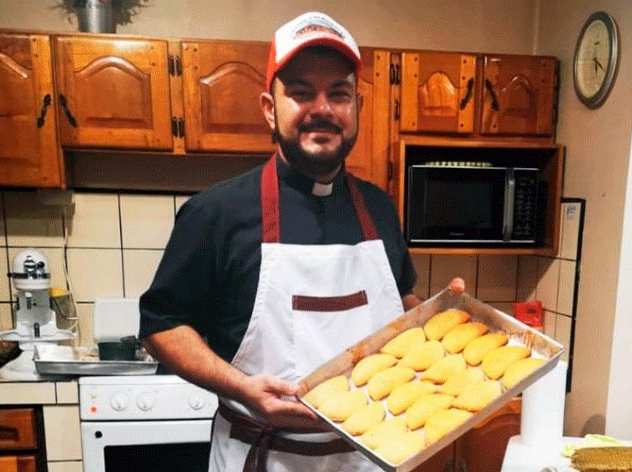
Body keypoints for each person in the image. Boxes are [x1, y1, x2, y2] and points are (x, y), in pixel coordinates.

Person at [139, 11, 464, 472]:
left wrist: (442, 322)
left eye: (339, 93)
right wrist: (238, 386)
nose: (322, 108)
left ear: (356, 108)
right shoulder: (215, 214)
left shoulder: (379, 209)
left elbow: (401, 301)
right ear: (270, 108)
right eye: (300, 92)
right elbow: (161, 325)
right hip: (263, 457)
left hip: (369, 458)